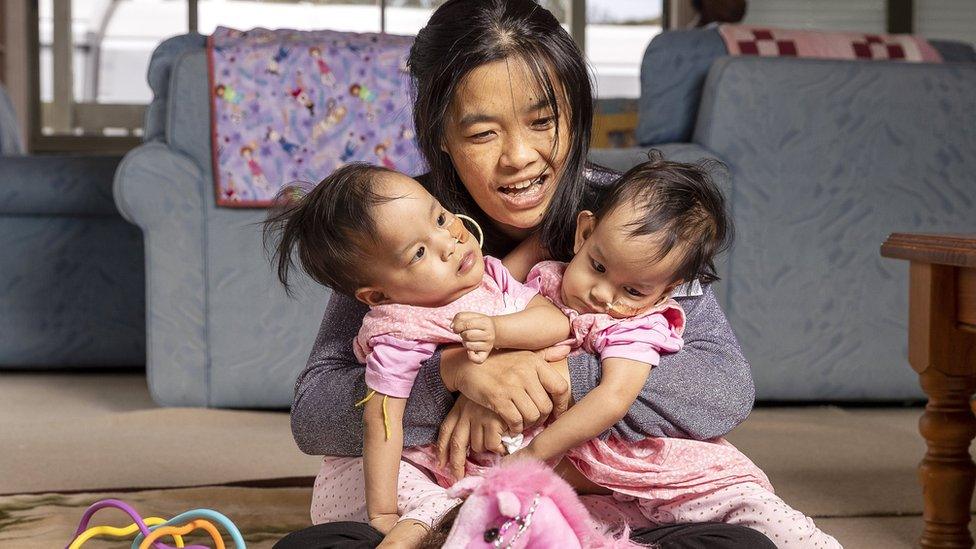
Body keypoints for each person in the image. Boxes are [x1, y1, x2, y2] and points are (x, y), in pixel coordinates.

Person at [281, 0, 764, 547]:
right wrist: (453, 373)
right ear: (440, 133)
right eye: (484, 133)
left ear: (575, 114)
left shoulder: (633, 216)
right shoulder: (404, 226)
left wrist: (535, 371)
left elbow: (723, 387)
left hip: (610, 499)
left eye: (542, 121)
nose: (520, 157)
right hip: (452, 494)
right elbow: (315, 413)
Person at [265, 163, 571, 541]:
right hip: (409, 469)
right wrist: (383, 512)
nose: (449, 243)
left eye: (440, 218)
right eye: (420, 252)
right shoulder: (402, 326)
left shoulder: (493, 277)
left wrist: (498, 332)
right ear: (378, 295)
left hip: (474, 462)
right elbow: (382, 421)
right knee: (435, 510)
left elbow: (555, 322)